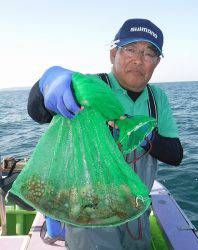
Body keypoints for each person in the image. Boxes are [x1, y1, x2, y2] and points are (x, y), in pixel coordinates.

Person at [28, 18, 183, 250]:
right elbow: (38, 113)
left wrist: (142, 134)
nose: (138, 59)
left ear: (157, 62)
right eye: (130, 49)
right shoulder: (89, 88)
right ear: (113, 55)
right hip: (89, 216)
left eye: (149, 53)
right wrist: (48, 81)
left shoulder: (157, 98)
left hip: (137, 213)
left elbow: (175, 154)